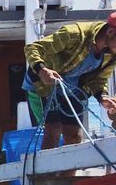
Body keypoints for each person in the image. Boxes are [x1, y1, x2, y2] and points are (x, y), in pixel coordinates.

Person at [24, 12, 116, 147]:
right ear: (110, 31)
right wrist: (42, 70)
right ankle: (48, 168)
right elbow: (33, 48)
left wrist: (102, 97)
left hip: (73, 91)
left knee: (74, 137)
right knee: (53, 129)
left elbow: (99, 81)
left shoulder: (112, 55)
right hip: (43, 85)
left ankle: (70, 168)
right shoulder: (74, 34)